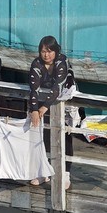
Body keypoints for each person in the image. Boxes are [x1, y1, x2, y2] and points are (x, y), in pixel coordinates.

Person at [26, 35, 76, 183]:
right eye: (43, 51)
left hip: (64, 100)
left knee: (64, 135)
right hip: (43, 101)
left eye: (49, 51)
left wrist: (43, 107)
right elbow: (33, 89)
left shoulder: (62, 61)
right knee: (44, 134)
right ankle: (43, 171)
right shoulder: (36, 64)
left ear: (56, 51)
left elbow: (57, 88)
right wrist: (34, 109)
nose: (46, 55)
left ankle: (65, 173)